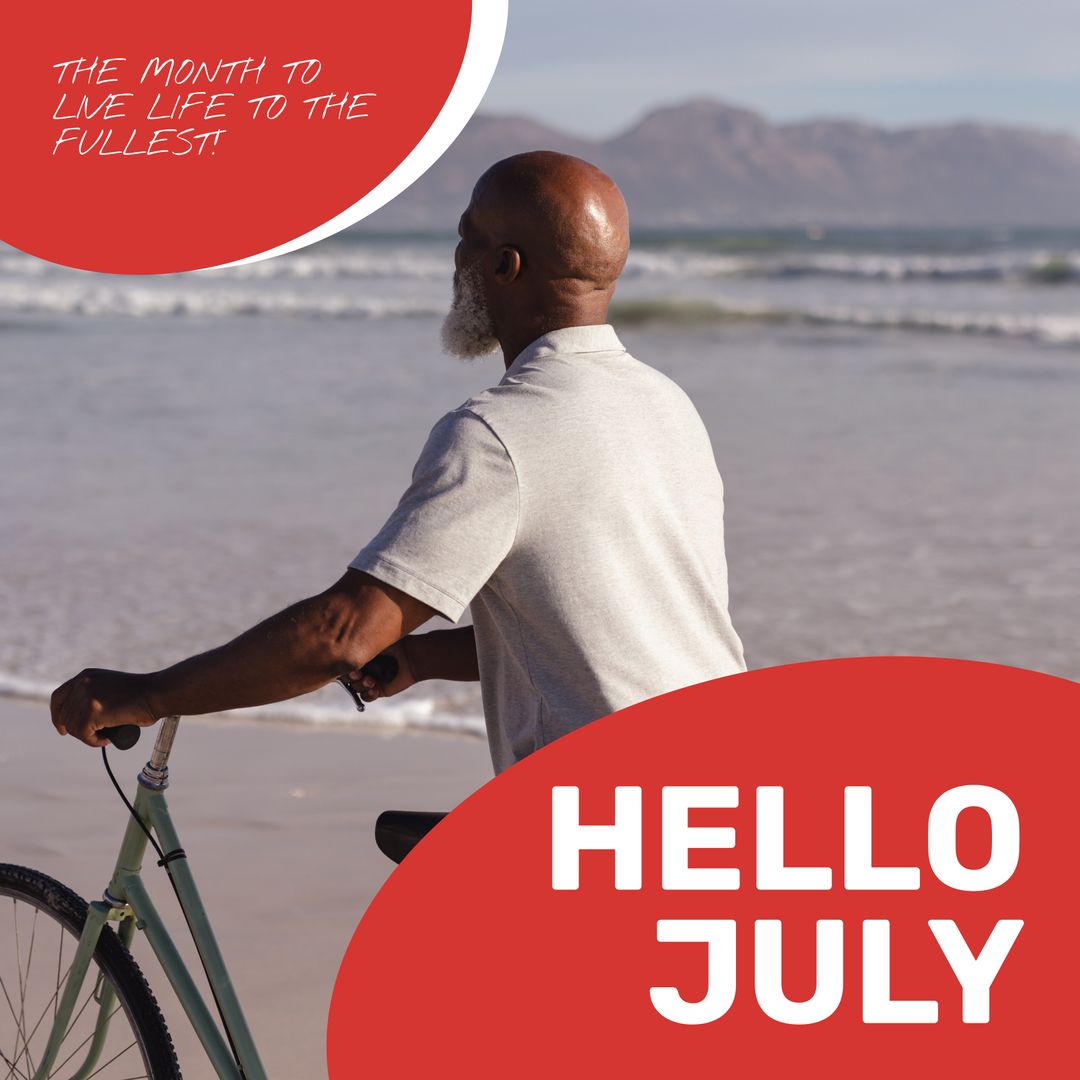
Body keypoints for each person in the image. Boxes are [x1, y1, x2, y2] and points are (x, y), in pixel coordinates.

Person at [50, 151, 746, 774]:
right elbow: (611, 630)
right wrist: (418, 658)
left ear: (504, 266)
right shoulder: (667, 407)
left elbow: (341, 634)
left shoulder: (500, 431)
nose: (455, 260)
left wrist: (148, 692)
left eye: (465, 238)